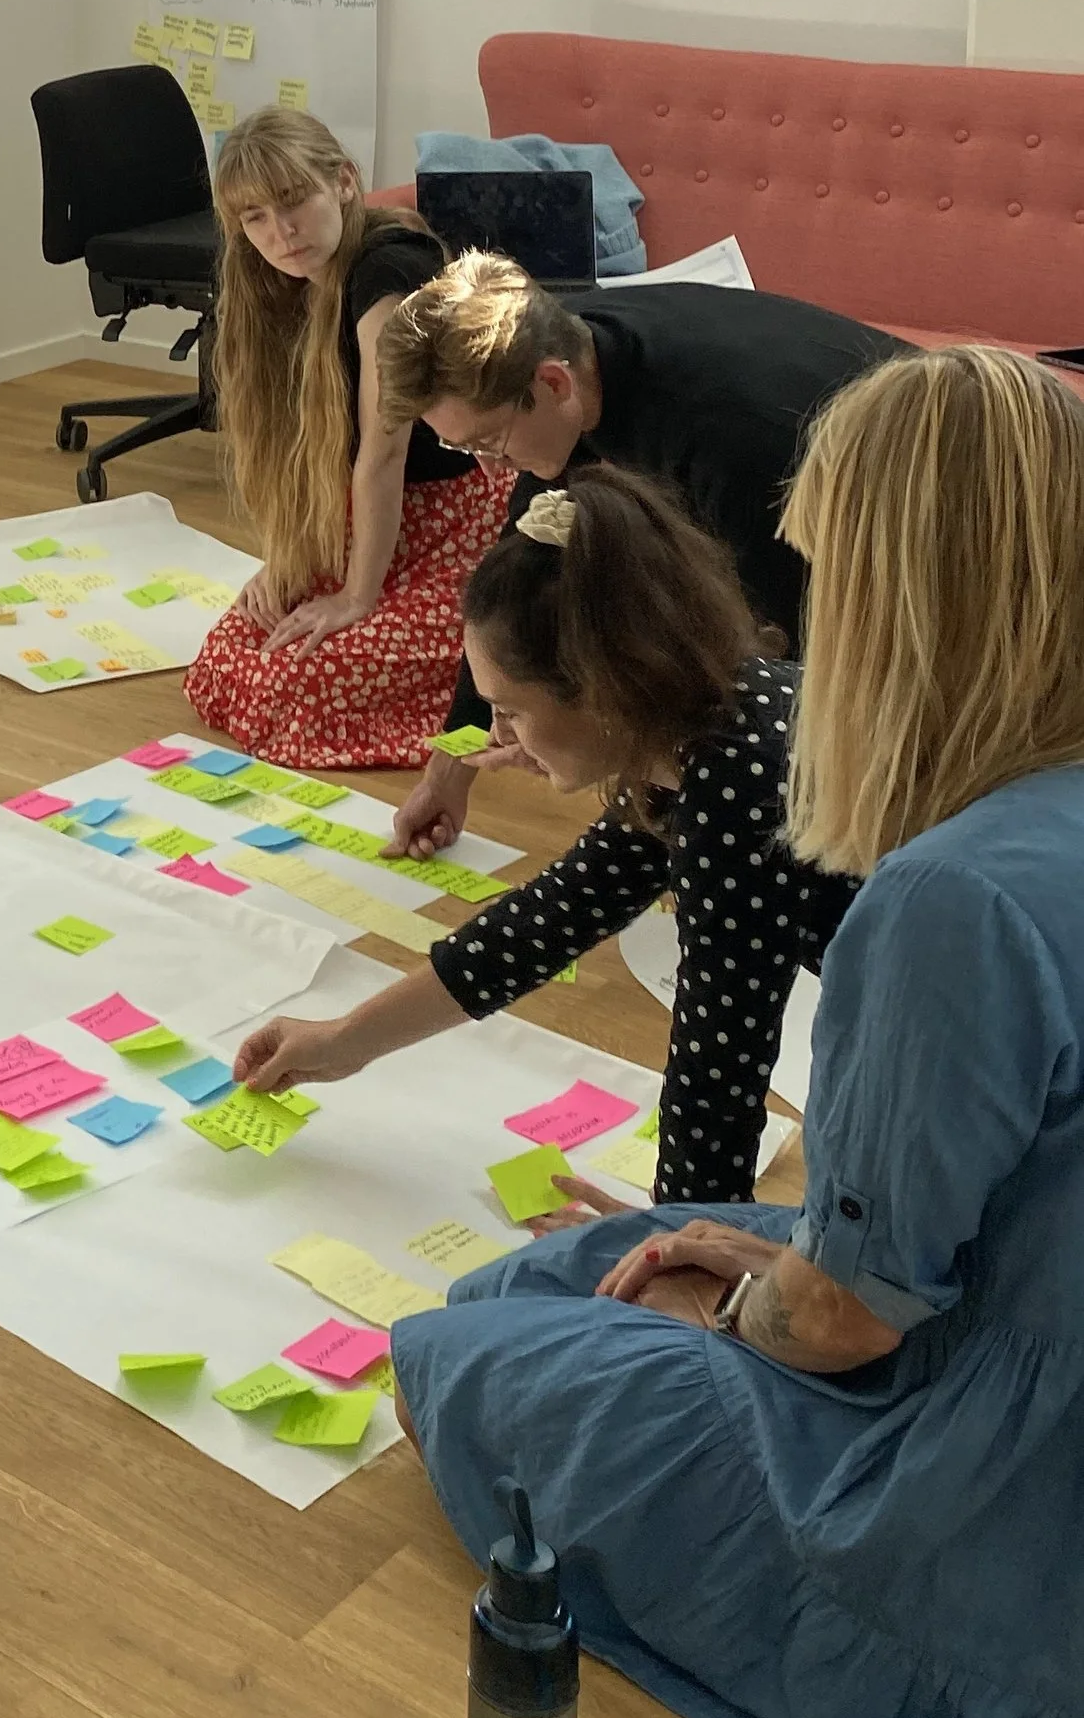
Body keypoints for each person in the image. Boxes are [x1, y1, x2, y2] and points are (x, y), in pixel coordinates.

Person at [392, 346, 1084, 1718]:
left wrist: (748, 1303)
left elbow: (849, 1315)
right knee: (601, 1265)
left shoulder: (953, 892)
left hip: (1010, 1519)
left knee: (467, 1349)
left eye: (835, 577)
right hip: (999, 1301)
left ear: (911, 606)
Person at [231, 468, 850, 1205]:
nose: (496, 736)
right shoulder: (704, 719)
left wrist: (668, 1254)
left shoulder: (737, 790)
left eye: (511, 710)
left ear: (604, 687)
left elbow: (718, 1071)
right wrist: (345, 1040)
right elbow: (546, 921)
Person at [374, 248, 898, 858]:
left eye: (489, 443)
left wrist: (689, 818)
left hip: (925, 521)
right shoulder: (551, 343)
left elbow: (784, 677)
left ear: (553, 383)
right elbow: (509, 593)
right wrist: (450, 767)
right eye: (465, 448)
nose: (490, 470)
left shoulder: (725, 446)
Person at [181, 111, 514, 770]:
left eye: (292, 201)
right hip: (365, 521)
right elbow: (307, 452)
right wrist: (291, 562)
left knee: (299, 682)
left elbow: (383, 451)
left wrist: (358, 597)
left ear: (342, 181)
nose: (280, 233)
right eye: (255, 219)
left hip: (451, 526)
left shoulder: (389, 269)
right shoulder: (276, 280)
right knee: (231, 653)